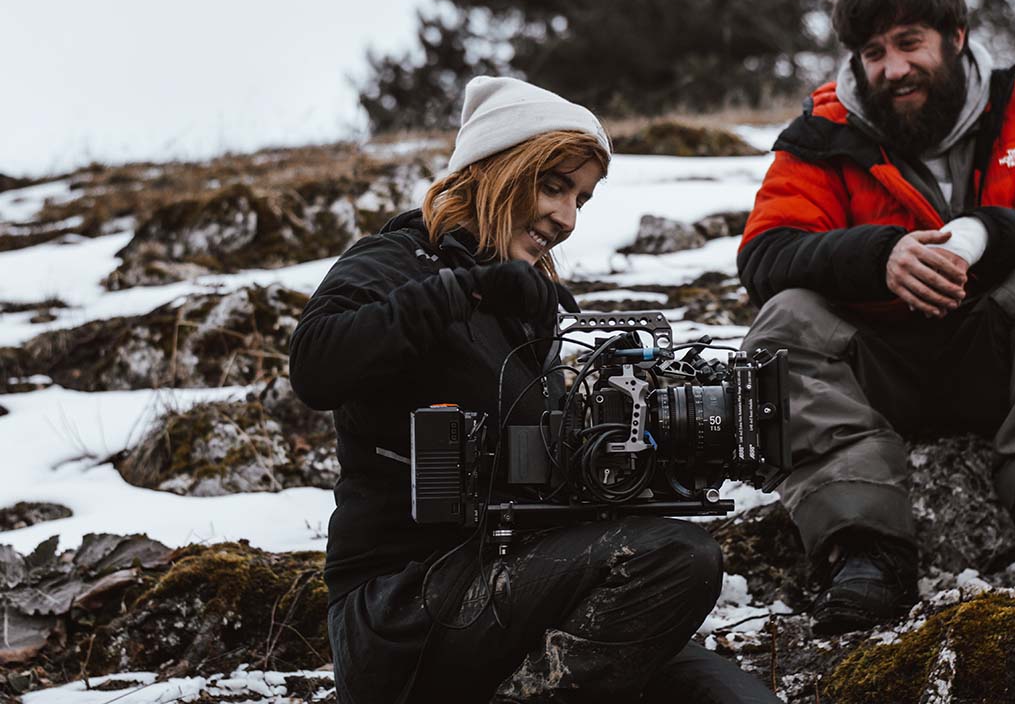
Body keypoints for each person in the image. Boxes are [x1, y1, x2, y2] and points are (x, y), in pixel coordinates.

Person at [290, 76, 778, 703]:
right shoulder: (394, 261)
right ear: (495, 169)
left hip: (512, 587)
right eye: (554, 185)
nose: (567, 217)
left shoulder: (525, 306)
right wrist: (463, 291)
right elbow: (315, 365)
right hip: (402, 612)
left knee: (735, 698)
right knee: (675, 559)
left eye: (582, 198)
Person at [736, 0, 1015, 635]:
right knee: (785, 319)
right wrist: (877, 256)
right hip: (875, 378)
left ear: (956, 36)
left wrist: (985, 234)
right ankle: (864, 549)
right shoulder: (819, 134)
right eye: (872, 53)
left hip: (1000, 363)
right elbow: (766, 256)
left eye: (908, 42)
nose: (893, 69)